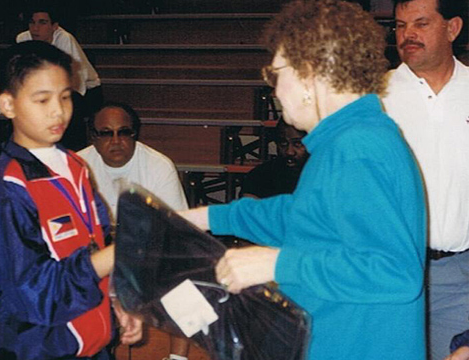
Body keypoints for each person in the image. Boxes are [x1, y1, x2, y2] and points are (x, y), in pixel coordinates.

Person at [179, 0, 426, 359]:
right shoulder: (347, 139)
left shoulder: (357, 147)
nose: (275, 91)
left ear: (309, 71)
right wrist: (209, 217)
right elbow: (305, 218)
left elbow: (395, 273)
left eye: (276, 74)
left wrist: (275, 263)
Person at [0, 41, 142, 359]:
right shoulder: (7, 189)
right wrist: (123, 251)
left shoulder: (74, 165)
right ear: (8, 105)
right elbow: (33, 295)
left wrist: (118, 300)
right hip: (35, 348)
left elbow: (97, 242)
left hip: (92, 342)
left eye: (65, 97)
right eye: (42, 99)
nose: (57, 111)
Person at [382, 0, 469, 358]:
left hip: (459, 277)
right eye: (401, 26)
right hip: (388, 272)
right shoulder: (374, 95)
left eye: (421, 23)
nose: (408, 35)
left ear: (453, 28)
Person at [77, 102, 190, 360]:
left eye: (124, 132)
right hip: (97, 255)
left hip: (147, 255)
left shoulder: (159, 165)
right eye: (106, 133)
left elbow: (175, 230)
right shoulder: (78, 166)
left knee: (185, 273)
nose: (116, 141)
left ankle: (178, 358)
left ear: (134, 134)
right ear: (93, 137)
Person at [16, 2, 103, 151]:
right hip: (44, 89)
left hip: (84, 90)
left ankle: (72, 151)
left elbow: (75, 80)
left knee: (68, 106)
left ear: (54, 26)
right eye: (32, 23)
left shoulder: (65, 39)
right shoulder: (22, 39)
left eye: (42, 23)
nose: (35, 28)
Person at [240, 120, 308, 198]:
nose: (289, 152)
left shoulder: (322, 175)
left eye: (298, 144)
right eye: (283, 143)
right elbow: (249, 207)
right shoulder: (260, 174)